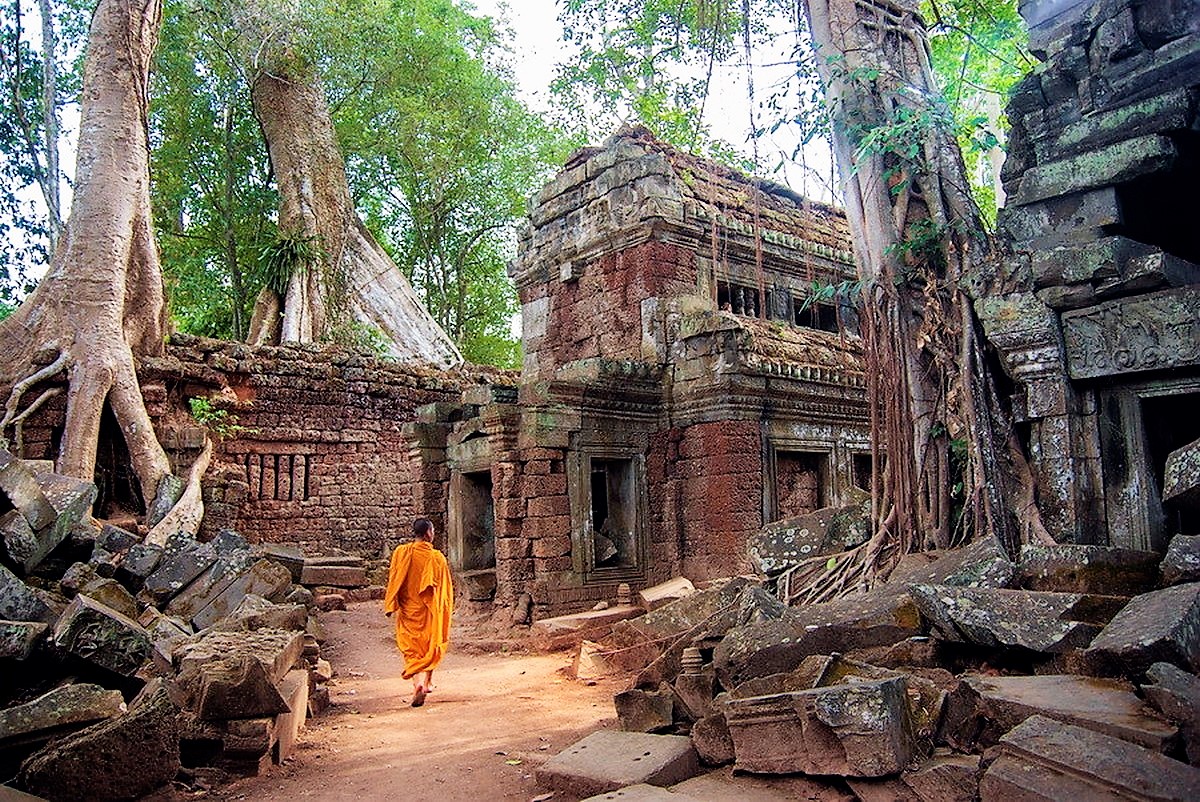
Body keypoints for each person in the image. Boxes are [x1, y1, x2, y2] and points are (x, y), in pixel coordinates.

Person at [383, 517, 453, 707]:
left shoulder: (401, 553)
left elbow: (394, 579)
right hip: (430, 611)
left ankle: (419, 684)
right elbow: (445, 590)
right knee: (430, 645)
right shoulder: (437, 558)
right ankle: (427, 682)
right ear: (429, 533)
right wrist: (444, 609)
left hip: (409, 610)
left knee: (412, 650)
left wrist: (391, 603)